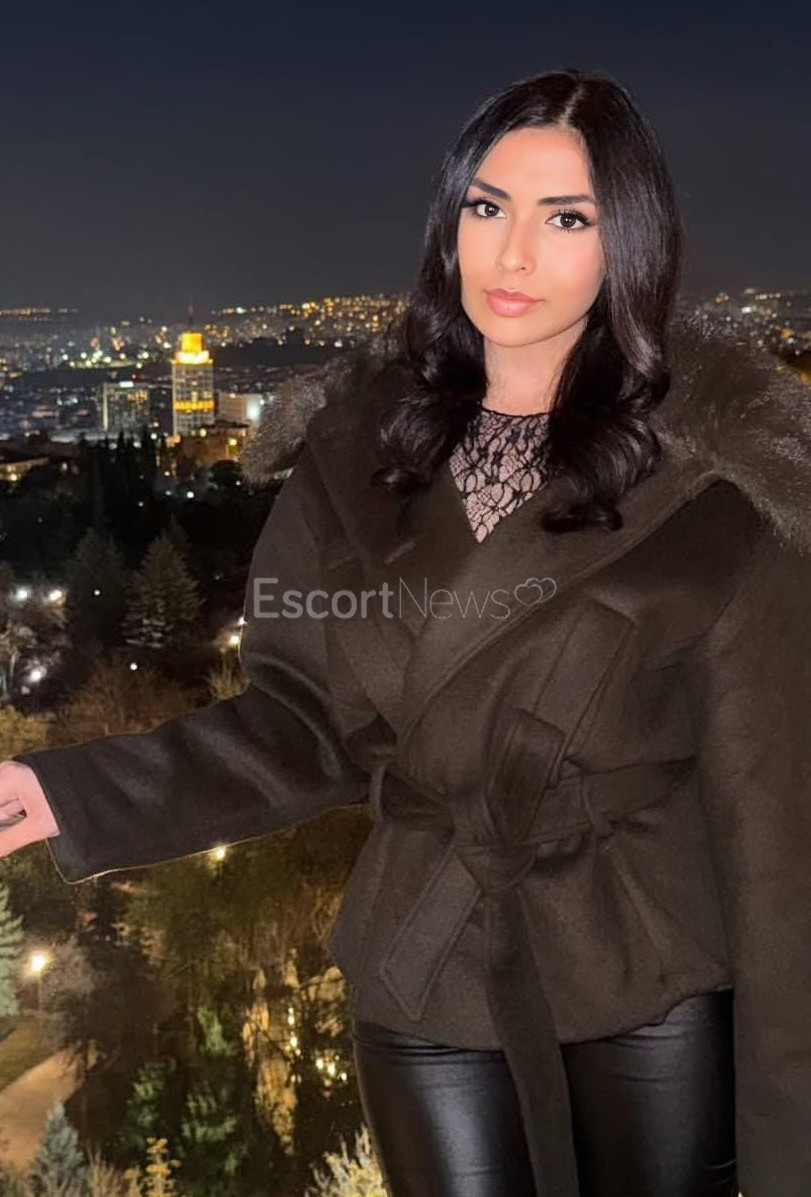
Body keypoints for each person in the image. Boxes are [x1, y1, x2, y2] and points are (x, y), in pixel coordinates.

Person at [2, 67, 810, 1197]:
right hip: (427, 967)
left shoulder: (719, 486)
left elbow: (774, 829)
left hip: (644, 970)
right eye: (487, 207)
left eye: (564, 218)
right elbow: (297, 725)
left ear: (626, 243)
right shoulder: (353, 459)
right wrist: (69, 793)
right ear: (448, 224)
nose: (511, 254)